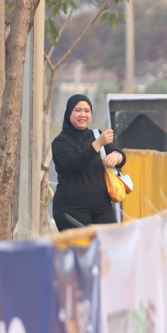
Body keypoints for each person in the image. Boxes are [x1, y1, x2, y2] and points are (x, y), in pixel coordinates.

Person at [51, 93, 127, 230]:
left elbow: (121, 156)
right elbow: (75, 164)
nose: (83, 115)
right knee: (81, 244)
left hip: (103, 208)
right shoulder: (60, 142)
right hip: (71, 210)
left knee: (111, 242)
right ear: (69, 112)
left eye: (87, 111)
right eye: (77, 110)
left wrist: (116, 157)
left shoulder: (97, 135)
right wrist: (98, 144)